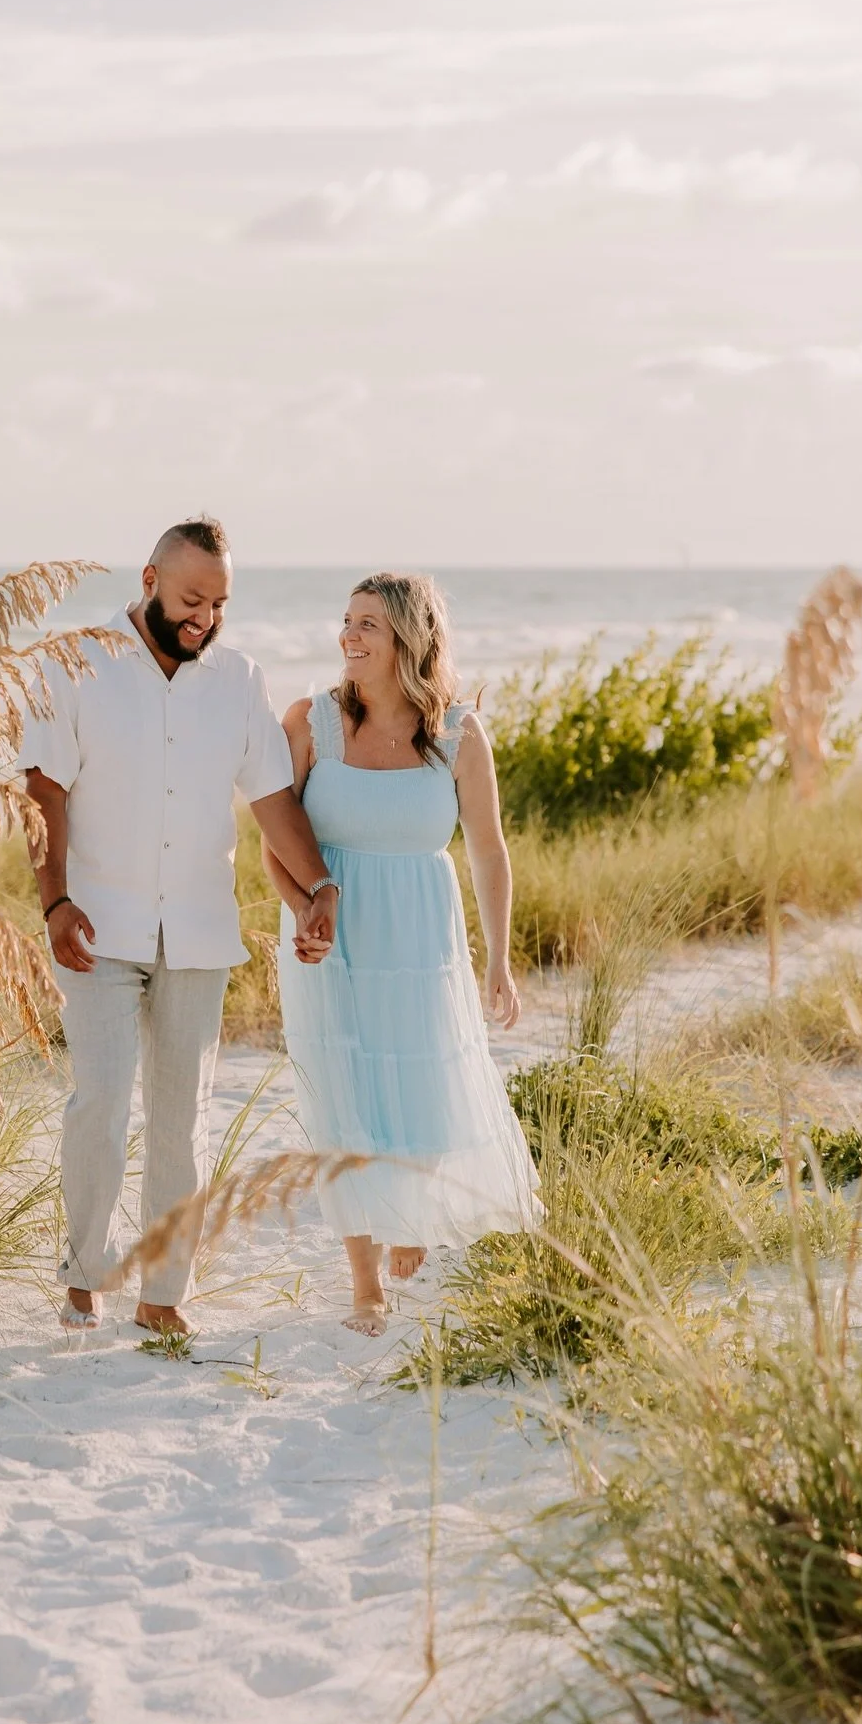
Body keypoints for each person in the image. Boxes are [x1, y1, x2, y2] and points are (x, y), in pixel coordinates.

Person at [23, 519, 338, 1337]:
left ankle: (163, 1291)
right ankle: (84, 1274)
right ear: (150, 579)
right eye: (192, 598)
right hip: (96, 921)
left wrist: (317, 889)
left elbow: (273, 800)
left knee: (182, 1115)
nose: (204, 617)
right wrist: (53, 900)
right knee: (98, 1100)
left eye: (220, 602)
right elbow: (43, 792)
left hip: (198, 928)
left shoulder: (239, 681)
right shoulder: (77, 665)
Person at [262, 571, 541, 1337]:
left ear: (409, 642)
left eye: (368, 627)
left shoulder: (458, 733)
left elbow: (488, 852)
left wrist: (499, 960)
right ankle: (364, 1283)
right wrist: (303, 914)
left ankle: (409, 1223)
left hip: (422, 939)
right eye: (345, 622)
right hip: (332, 939)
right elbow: (274, 839)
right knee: (344, 1096)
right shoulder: (311, 721)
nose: (349, 638)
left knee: (420, 1092)